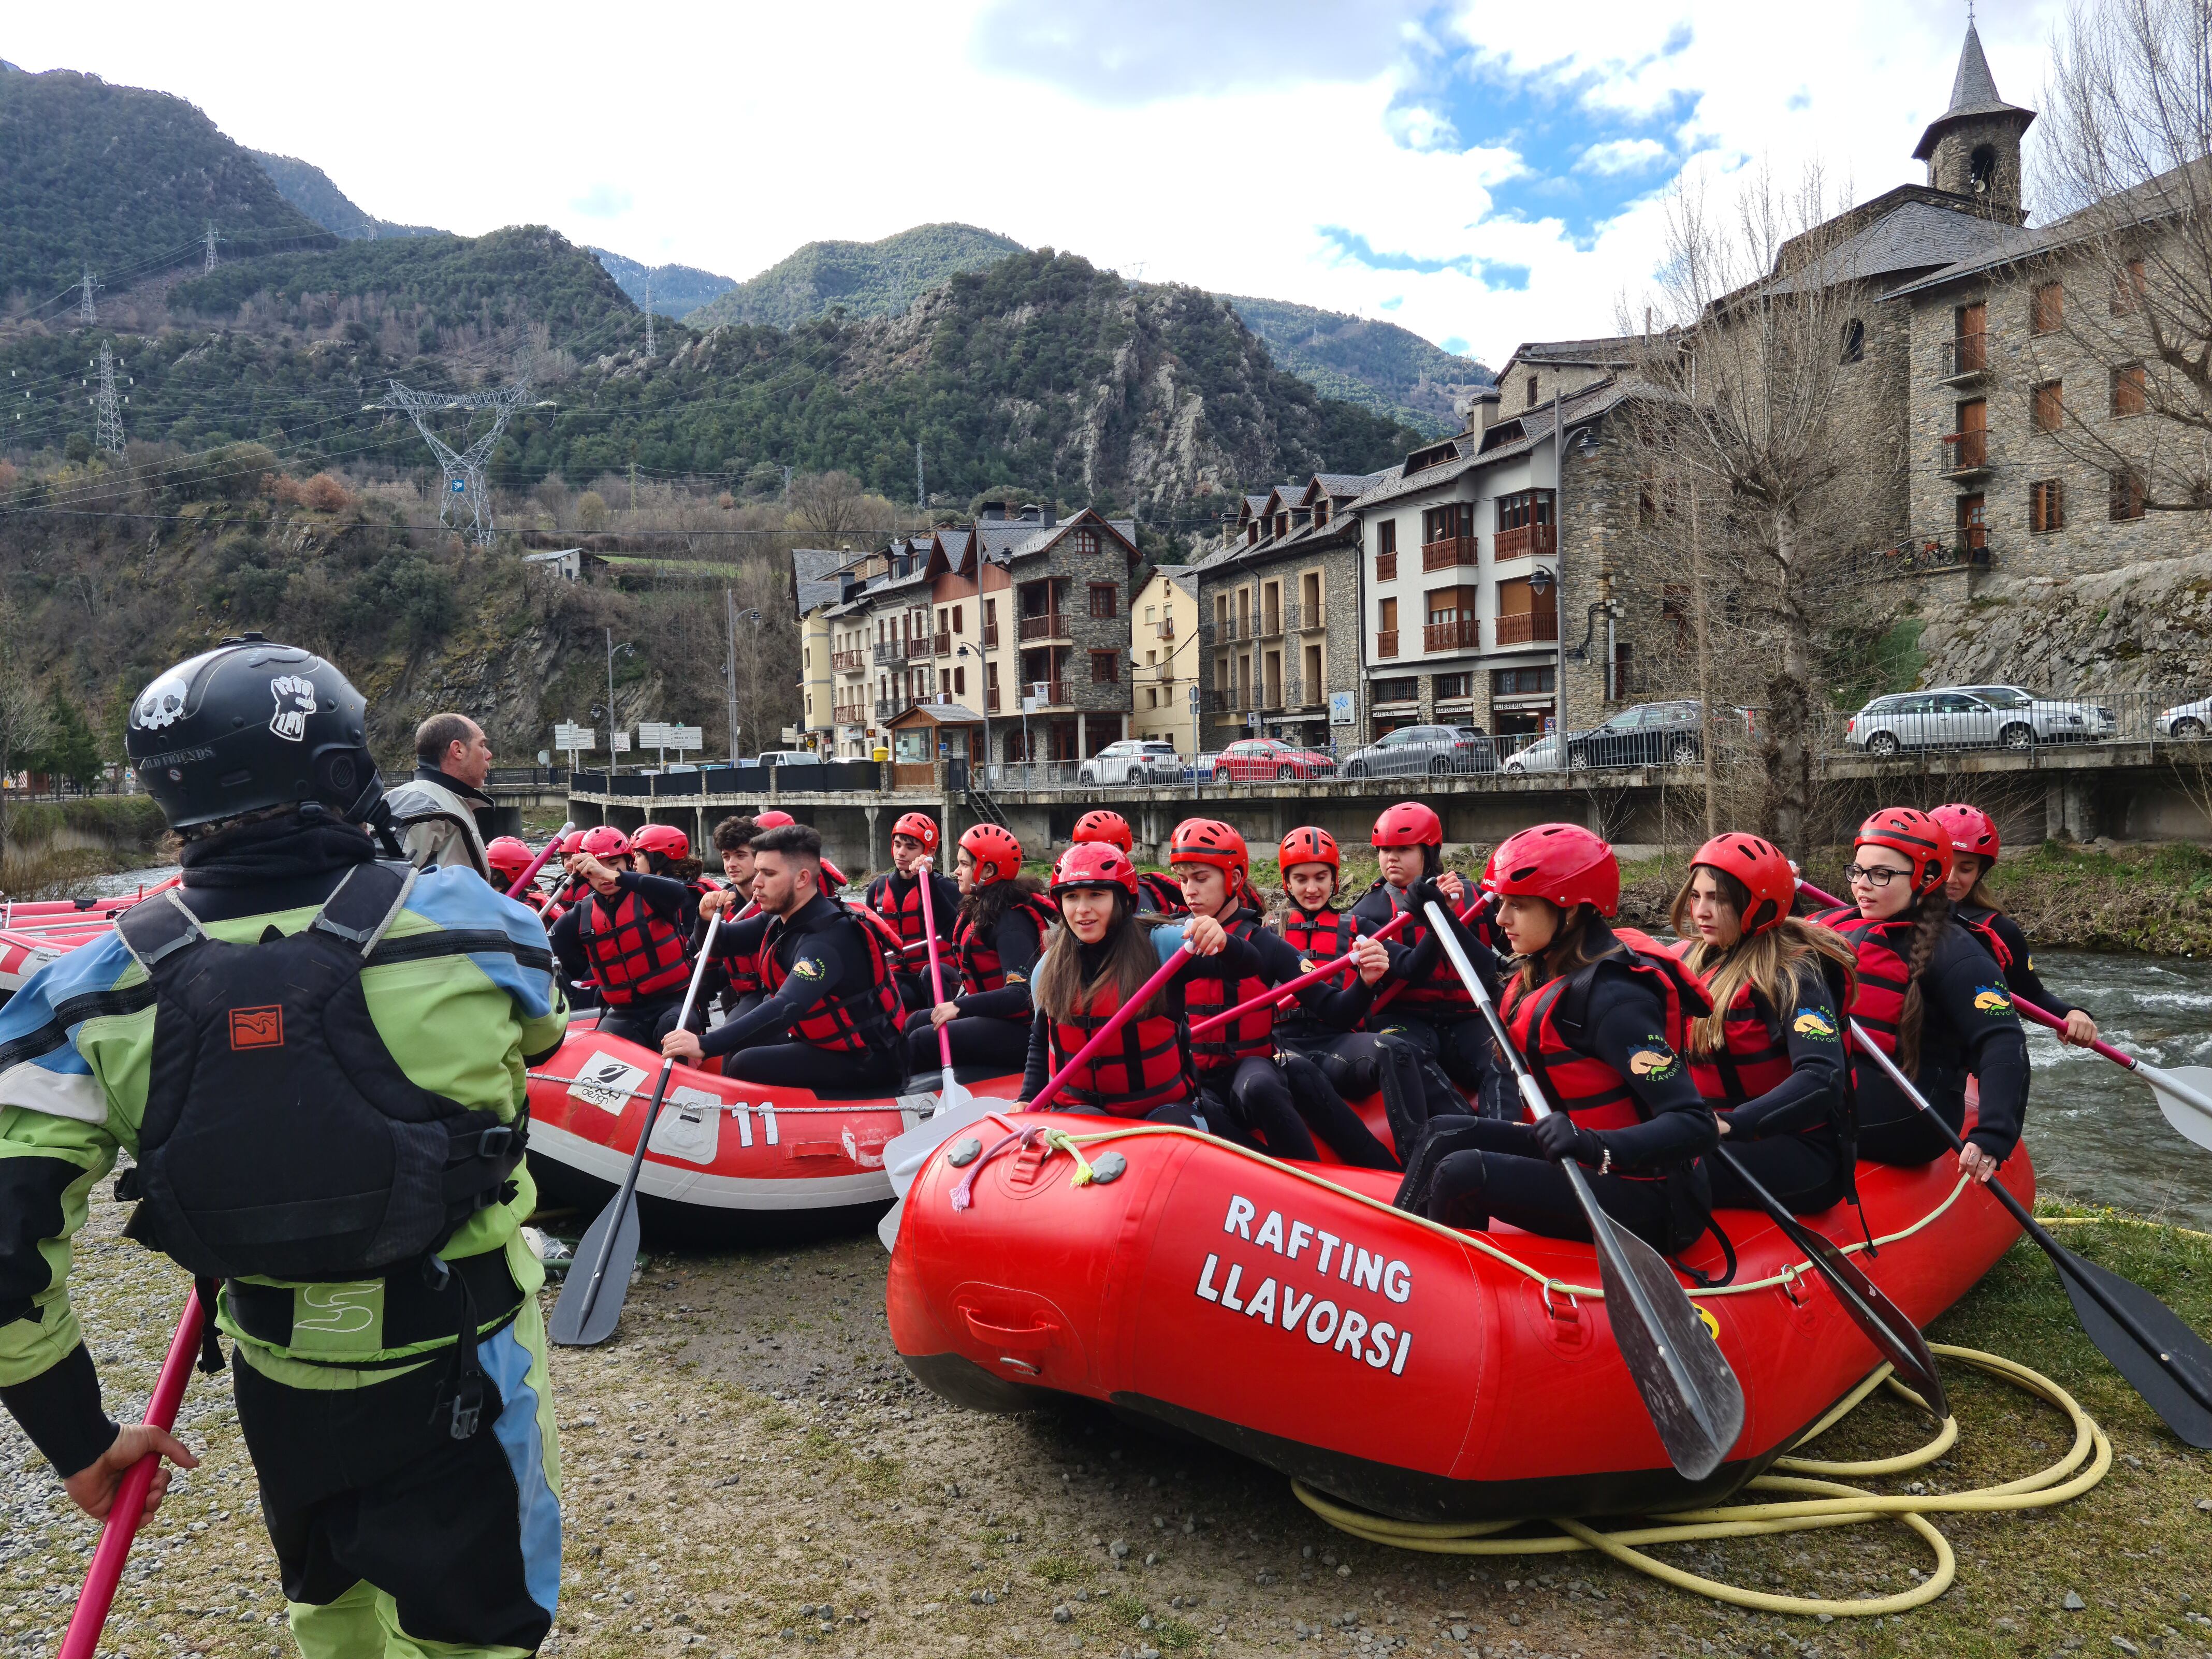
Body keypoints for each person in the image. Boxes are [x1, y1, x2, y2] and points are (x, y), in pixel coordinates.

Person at [0, 641, 566, 1658]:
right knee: (479, 1640)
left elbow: (5, 1253)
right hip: (463, 1368)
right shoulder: (488, 933)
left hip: (279, 1381)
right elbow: (541, 1037)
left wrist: (76, 1439)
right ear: (346, 774)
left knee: (330, 1617)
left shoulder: (85, 988)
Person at [1395, 823, 1720, 1254]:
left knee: (1460, 1173)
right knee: (1442, 1133)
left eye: (1519, 906)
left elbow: (1696, 1125)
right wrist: (1439, 915)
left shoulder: (1616, 1001)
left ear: (1572, 910)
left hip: (1649, 1194)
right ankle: (1396, 1259)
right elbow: (1499, 984)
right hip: (1581, 1154)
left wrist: (1596, 1146)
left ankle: (1443, 1282)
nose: (1501, 918)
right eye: (1503, 902)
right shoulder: (1557, 959)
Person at [1809, 808, 2030, 1180]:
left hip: (1914, 1110)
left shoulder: (1958, 951)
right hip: (1847, 1080)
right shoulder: (1839, 925)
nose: (1862, 885)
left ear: (1927, 878)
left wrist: (1993, 1135)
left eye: (1881, 875)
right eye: (1857, 872)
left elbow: (2003, 1042)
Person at [1168, 819, 1399, 1166]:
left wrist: (1366, 982)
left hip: (1250, 1068)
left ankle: (1311, 1181)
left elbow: (1336, 1010)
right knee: (1187, 1113)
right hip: (1197, 1078)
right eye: (1184, 880)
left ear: (1233, 879)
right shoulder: (1170, 940)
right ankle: (1269, 1176)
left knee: (1261, 1086)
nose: (1190, 891)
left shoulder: (1266, 944)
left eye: (1201, 879)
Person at [1672, 833, 1857, 1217]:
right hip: (1714, 1131)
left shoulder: (1794, 975)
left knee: (1655, 1173)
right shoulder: (1696, 959)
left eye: (1718, 899)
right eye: (1696, 896)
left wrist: (1732, 1125)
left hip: (1798, 1150)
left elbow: (1822, 1075)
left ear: (1757, 908)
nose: (1701, 912)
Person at [1015, 842, 1257, 1130]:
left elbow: (1248, 966)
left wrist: (1224, 942)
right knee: (1087, 1125)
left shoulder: (1163, 944)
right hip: (1080, 1113)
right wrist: (1027, 1098)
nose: (1082, 909)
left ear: (1123, 901)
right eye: (1072, 897)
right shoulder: (1048, 968)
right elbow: (1042, 1041)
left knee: (1168, 1126)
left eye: (1096, 895)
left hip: (1161, 1110)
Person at [664, 823, 905, 1093]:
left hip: (867, 1061)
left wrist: (705, 1045)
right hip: (820, 1044)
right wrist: (704, 919)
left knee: (745, 1063)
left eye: (768, 874)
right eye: (757, 872)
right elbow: (723, 944)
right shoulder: (781, 917)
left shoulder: (828, 939)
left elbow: (787, 1006)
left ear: (802, 879)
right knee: (742, 1049)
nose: (756, 883)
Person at [1272, 826, 1436, 1159]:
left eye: (1321, 877)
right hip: (1283, 1045)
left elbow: (1413, 968)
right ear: (1287, 883)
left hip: (1336, 1043)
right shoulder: (1268, 930)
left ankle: (1418, 1163)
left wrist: (1435, 921)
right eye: (1301, 879)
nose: (1313, 888)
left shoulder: (1358, 926)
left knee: (1395, 1050)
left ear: (1334, 880)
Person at [1352, 803, 1495, 1108]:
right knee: (1413, 1062)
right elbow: (1410, 970)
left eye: (1403, 849)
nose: (1391, 858)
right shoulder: (1368, 912)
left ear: (1430, 853)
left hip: (1467, 1017)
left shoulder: (1473, 896)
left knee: (1500, 1066)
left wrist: (1450, 914)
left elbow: (1507, 963)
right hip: (1405, 1017)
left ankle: (1508, 1139)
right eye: (1384, 850)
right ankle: (1468, 1133)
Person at [1933, 802, 2099, 1046]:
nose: (1951, 878)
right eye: (1944, 865)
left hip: (1966, 1057)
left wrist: (2072, 1014)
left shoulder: (1999, 930)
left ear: (1979, 872)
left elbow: (2030, 995)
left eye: (1966, 868)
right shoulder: (1892, 914)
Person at [904, 824, 1055, 1075]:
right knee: (915, 1021)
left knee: (922, 1039)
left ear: (988, 870)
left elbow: (1022, 996)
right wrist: (927, 880)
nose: (956, 871)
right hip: (996, 1018)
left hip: (1023, 1032)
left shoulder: (1011, 923)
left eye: (964, 864)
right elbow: (953, 928)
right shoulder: (986, 904)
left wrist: (960, 1007)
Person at [548, 825, 700, 1050]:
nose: (603, 874)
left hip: (674, 1003)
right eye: (596, 868)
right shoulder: (580, 915)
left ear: (628, 863)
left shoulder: (651, 896)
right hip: (624, 1013)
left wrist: (614, 876)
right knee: (604, 1046)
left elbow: (679, 892)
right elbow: (544, 951)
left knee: (672, 1025)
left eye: (613, 864)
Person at [866, 812, 962, 1009]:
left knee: (931, 974)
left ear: (930, 851)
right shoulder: (877, 889)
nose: (901, 853)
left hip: (937, 977)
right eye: (898, 844)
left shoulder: (946, 889)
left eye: (910, 847)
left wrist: (925, 878)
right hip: (896, 978)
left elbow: (959, 936)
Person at [384, 712, 496, 880]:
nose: (489, 754)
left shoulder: (440, 799)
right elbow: (382, 882)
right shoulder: (422, 803)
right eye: (482, 745)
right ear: (458, 750)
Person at [1072, 809, 1186, 913]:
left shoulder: (1137, 895)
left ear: (1116, 850)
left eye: (1086, 851)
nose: (1078, 858)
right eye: (1076, 850)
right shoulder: (1083, 889)